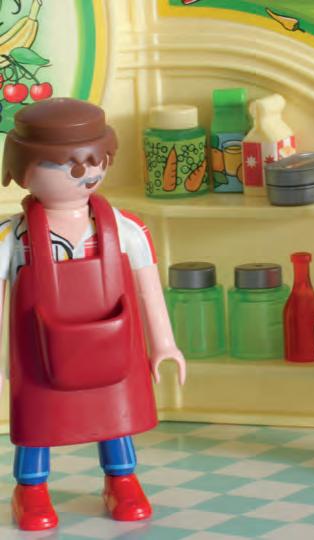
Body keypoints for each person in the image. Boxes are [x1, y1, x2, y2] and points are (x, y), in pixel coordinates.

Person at [0, 97, 186, 530]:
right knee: (37, 419)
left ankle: (122, 480)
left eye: (94, 161)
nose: (83, 173)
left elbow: (149, 289)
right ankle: (31, 489)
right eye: (63, 165)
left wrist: (164, 344)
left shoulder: (125, 228)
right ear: (22, 168)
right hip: (38, 351)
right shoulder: (13, 237)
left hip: (113, 345)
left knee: (115, 415)